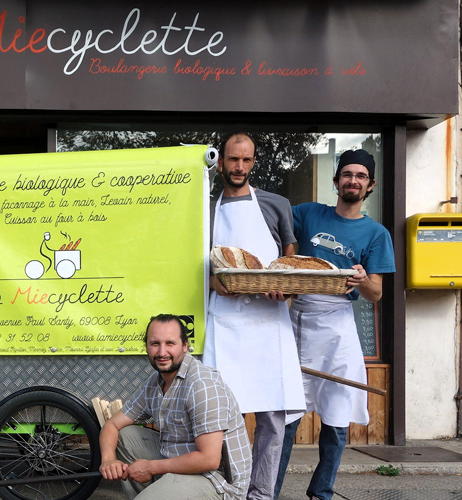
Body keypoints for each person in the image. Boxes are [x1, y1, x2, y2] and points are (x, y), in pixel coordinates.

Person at [274, 149, 395, 500]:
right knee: (285, 417)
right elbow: (274, 222)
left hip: (340, 326)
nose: (353, 180)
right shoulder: (309, 213)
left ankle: (321, 492)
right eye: (347, 174)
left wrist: (362, 279)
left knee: (337, 420)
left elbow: (376, 294)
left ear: (370, 185)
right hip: (298, 317)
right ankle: (267, 490)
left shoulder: (376, 233)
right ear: (336, 180)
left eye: (360, 176)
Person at [203, 132, 306, 500]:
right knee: (225, 416)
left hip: (269, 322)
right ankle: (230, 490)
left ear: (254, 162)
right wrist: (214, 281)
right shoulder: (204, 207)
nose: (239, 167)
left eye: (246, 160)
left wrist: (286, 286)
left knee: (273, 419)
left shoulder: (276, 204)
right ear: (220, 162)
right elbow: (196, 264)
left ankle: (261, 494)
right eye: (232, 159)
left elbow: (289, 261)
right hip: (226, 321)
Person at [100, 314, 252, 500]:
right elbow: (112, 425)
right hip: (178, 460)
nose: (162, 352)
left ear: (185, 346)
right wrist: (108, 460)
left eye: (170, 343)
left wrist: (150, 467)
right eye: (155, 343)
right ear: (146, 347)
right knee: (124, 435)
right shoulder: (154, 384)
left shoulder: (202, 385)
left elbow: (209, 459)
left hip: (217, 482)